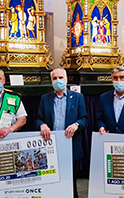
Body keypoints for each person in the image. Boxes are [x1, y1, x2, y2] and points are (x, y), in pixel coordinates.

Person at [35, 68, 88, 198]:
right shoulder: (45, 98)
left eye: (61, 77)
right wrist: (42, 125)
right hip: (50, 146)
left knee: (70, 180)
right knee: (51, 180)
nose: (58, 81)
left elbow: (85, 120)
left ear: (66, 79)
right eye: (55, 78)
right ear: (51, 81)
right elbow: (38, 119)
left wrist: (76, 125)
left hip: (70, 145)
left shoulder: (77, 98)